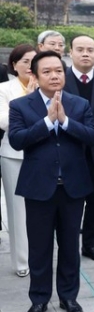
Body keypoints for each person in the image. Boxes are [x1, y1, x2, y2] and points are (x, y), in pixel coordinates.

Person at [8, 50, 94, 312]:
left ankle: (69, 297)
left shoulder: (79, 104)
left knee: (70, 245)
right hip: (38, 188)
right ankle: (39, 299)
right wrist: (48, 121)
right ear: (34, 76)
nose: (54, 75)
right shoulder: (21, 106)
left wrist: (66, 121)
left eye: (58, 70)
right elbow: (17, 140)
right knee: (39, 247)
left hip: (73, 187)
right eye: (46, 71)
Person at [63, 35, 94, 262]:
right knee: (69, 204)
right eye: (80, 49)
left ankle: (90, 245)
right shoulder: (60, 79)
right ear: (70, 52)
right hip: (67, 152)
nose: (86, 54)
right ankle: (68, 247)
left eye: (90, 50)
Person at [0, 44, 36, 277]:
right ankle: (22, 261)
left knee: (43, 210)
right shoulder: (4, 88)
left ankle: (41, 256)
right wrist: (30, 99)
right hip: (13, 154)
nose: (30, 67)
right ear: (14, 65)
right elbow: (5, 121)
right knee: (18, 211)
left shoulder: (50, 86)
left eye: (35, 61)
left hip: (43, 153)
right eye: (25, 61)